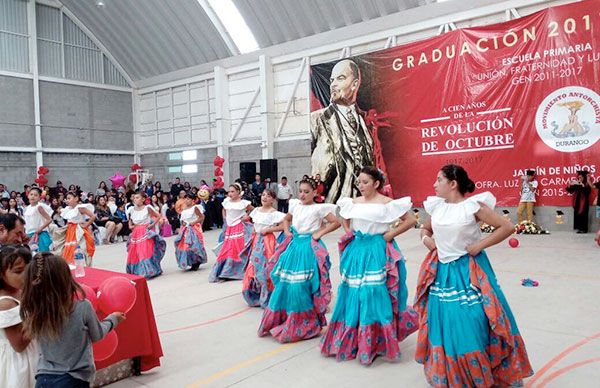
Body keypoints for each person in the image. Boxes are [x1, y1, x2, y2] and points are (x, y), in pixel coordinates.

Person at [416, 164, 532, 387]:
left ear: (453, 184)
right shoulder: (437, 207)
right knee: (446, 320)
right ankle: (455, 372)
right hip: (443, 272)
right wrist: (426, 240)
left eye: (439, 180)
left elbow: (506, 227)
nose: (434, 184)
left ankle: (483, 370)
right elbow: (425, 229)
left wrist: (480, 245)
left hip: (469, 270)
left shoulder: (472, 206)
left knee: (476, 318)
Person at [321, 167, 419, 364]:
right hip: (357, 250)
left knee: (373, 291)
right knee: (353, 292)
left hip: (377, 249)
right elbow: (344, 219)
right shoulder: (353, 202)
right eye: (359, 182)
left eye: (365, 182)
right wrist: (349, 232)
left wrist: (390, 235)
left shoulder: (387, 203)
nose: (361, 185)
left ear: (376, 183)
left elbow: (410, 220)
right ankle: (354, 338)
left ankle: (376, 340)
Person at [20, 253, 125, 387]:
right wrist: (113, 319)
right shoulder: (82, 307)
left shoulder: (33, 311)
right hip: (73, 379)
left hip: (43, 378)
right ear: (66, 279)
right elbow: (97, 334)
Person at [258, 178, 340, 343]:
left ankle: (306, 322)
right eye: (301, 191)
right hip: (294, 247)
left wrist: (319, 233)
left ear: (315, 193)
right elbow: (286, 219)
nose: (302, 194)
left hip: (309, 248)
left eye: (307, 192)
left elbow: (336, 222)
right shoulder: (295, 205)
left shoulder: (320, 208)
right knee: (284, 283)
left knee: (302, 285)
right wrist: (287, 232)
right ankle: (284, 318)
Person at [310, 59, 375, 203]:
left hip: (361, 203)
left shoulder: (367, 122)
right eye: (332, 80)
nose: (333, 84)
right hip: (332, 204)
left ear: (355, 84)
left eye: (340, 78)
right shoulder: (317, 120)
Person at [0, 246, 37, 388]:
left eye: (29, 270)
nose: (25, 276)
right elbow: (19, 345)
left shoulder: (20, 290)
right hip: (20, 361)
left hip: (33, 350)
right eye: (18, 271)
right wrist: (40, 314)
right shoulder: (6, 304)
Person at [241, 189, 285, 308]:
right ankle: (255, 294)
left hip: (267, 242)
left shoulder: (275, 213)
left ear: (273, 200)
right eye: (263, 195)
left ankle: (268, 295)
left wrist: (270, 230)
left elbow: (286, 224)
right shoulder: (255, 211)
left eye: (268, 196)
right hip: (256, 240)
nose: (265, 197)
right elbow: (248, 219)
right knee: (253, 267)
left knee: (266, 267)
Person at [209, 183, 253, 282]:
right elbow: (224, 210)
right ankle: (225, 271)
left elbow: (254, 211)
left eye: (232, 191)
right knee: (227, 249)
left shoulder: (243, 203)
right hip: (230, 228)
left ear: (238, 192)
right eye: (229, 191)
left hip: (240, 227)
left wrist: (247, 216)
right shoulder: (226, 201)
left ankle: (235, 271)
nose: (230, 193)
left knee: (238, 249)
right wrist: (225, 218)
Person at [126, 192, 166, 279]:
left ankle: (148, 270)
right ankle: (137, 271)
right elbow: (130, 220)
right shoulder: (132, 209)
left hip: (145, 232)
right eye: (134, 198)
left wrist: (152, 225)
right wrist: (131, 226)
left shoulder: (147, 208)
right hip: (136, 232)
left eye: (137, 197)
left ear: (143, 199)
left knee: (144, 251)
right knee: (134, 252)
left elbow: (158, 216)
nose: (135, 199)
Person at [52, 192, 96, 265]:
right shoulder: (67, 209)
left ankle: (82, 265)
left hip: (79, 231)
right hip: (70, 231)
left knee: (80, 247)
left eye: (69, 198)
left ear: (76, 198)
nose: (67, 200)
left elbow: (93, 216)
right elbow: (69, 220)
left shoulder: (80, 208)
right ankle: (71, 264)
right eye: (67, 199)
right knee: (69, 247)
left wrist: (87, 224)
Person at [175, 193, 207, 271]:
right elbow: (182, 220)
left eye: (188, 199)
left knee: (193, 245)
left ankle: (196, 262)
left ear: (193, 200)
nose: (186, 200)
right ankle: (189, 261)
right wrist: (182, 224)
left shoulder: (195, 208)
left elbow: (202, 217)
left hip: (192, 228)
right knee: (184, 246)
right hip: (184, 229)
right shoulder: (184, 209)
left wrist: (194, 223)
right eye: (186, 198)